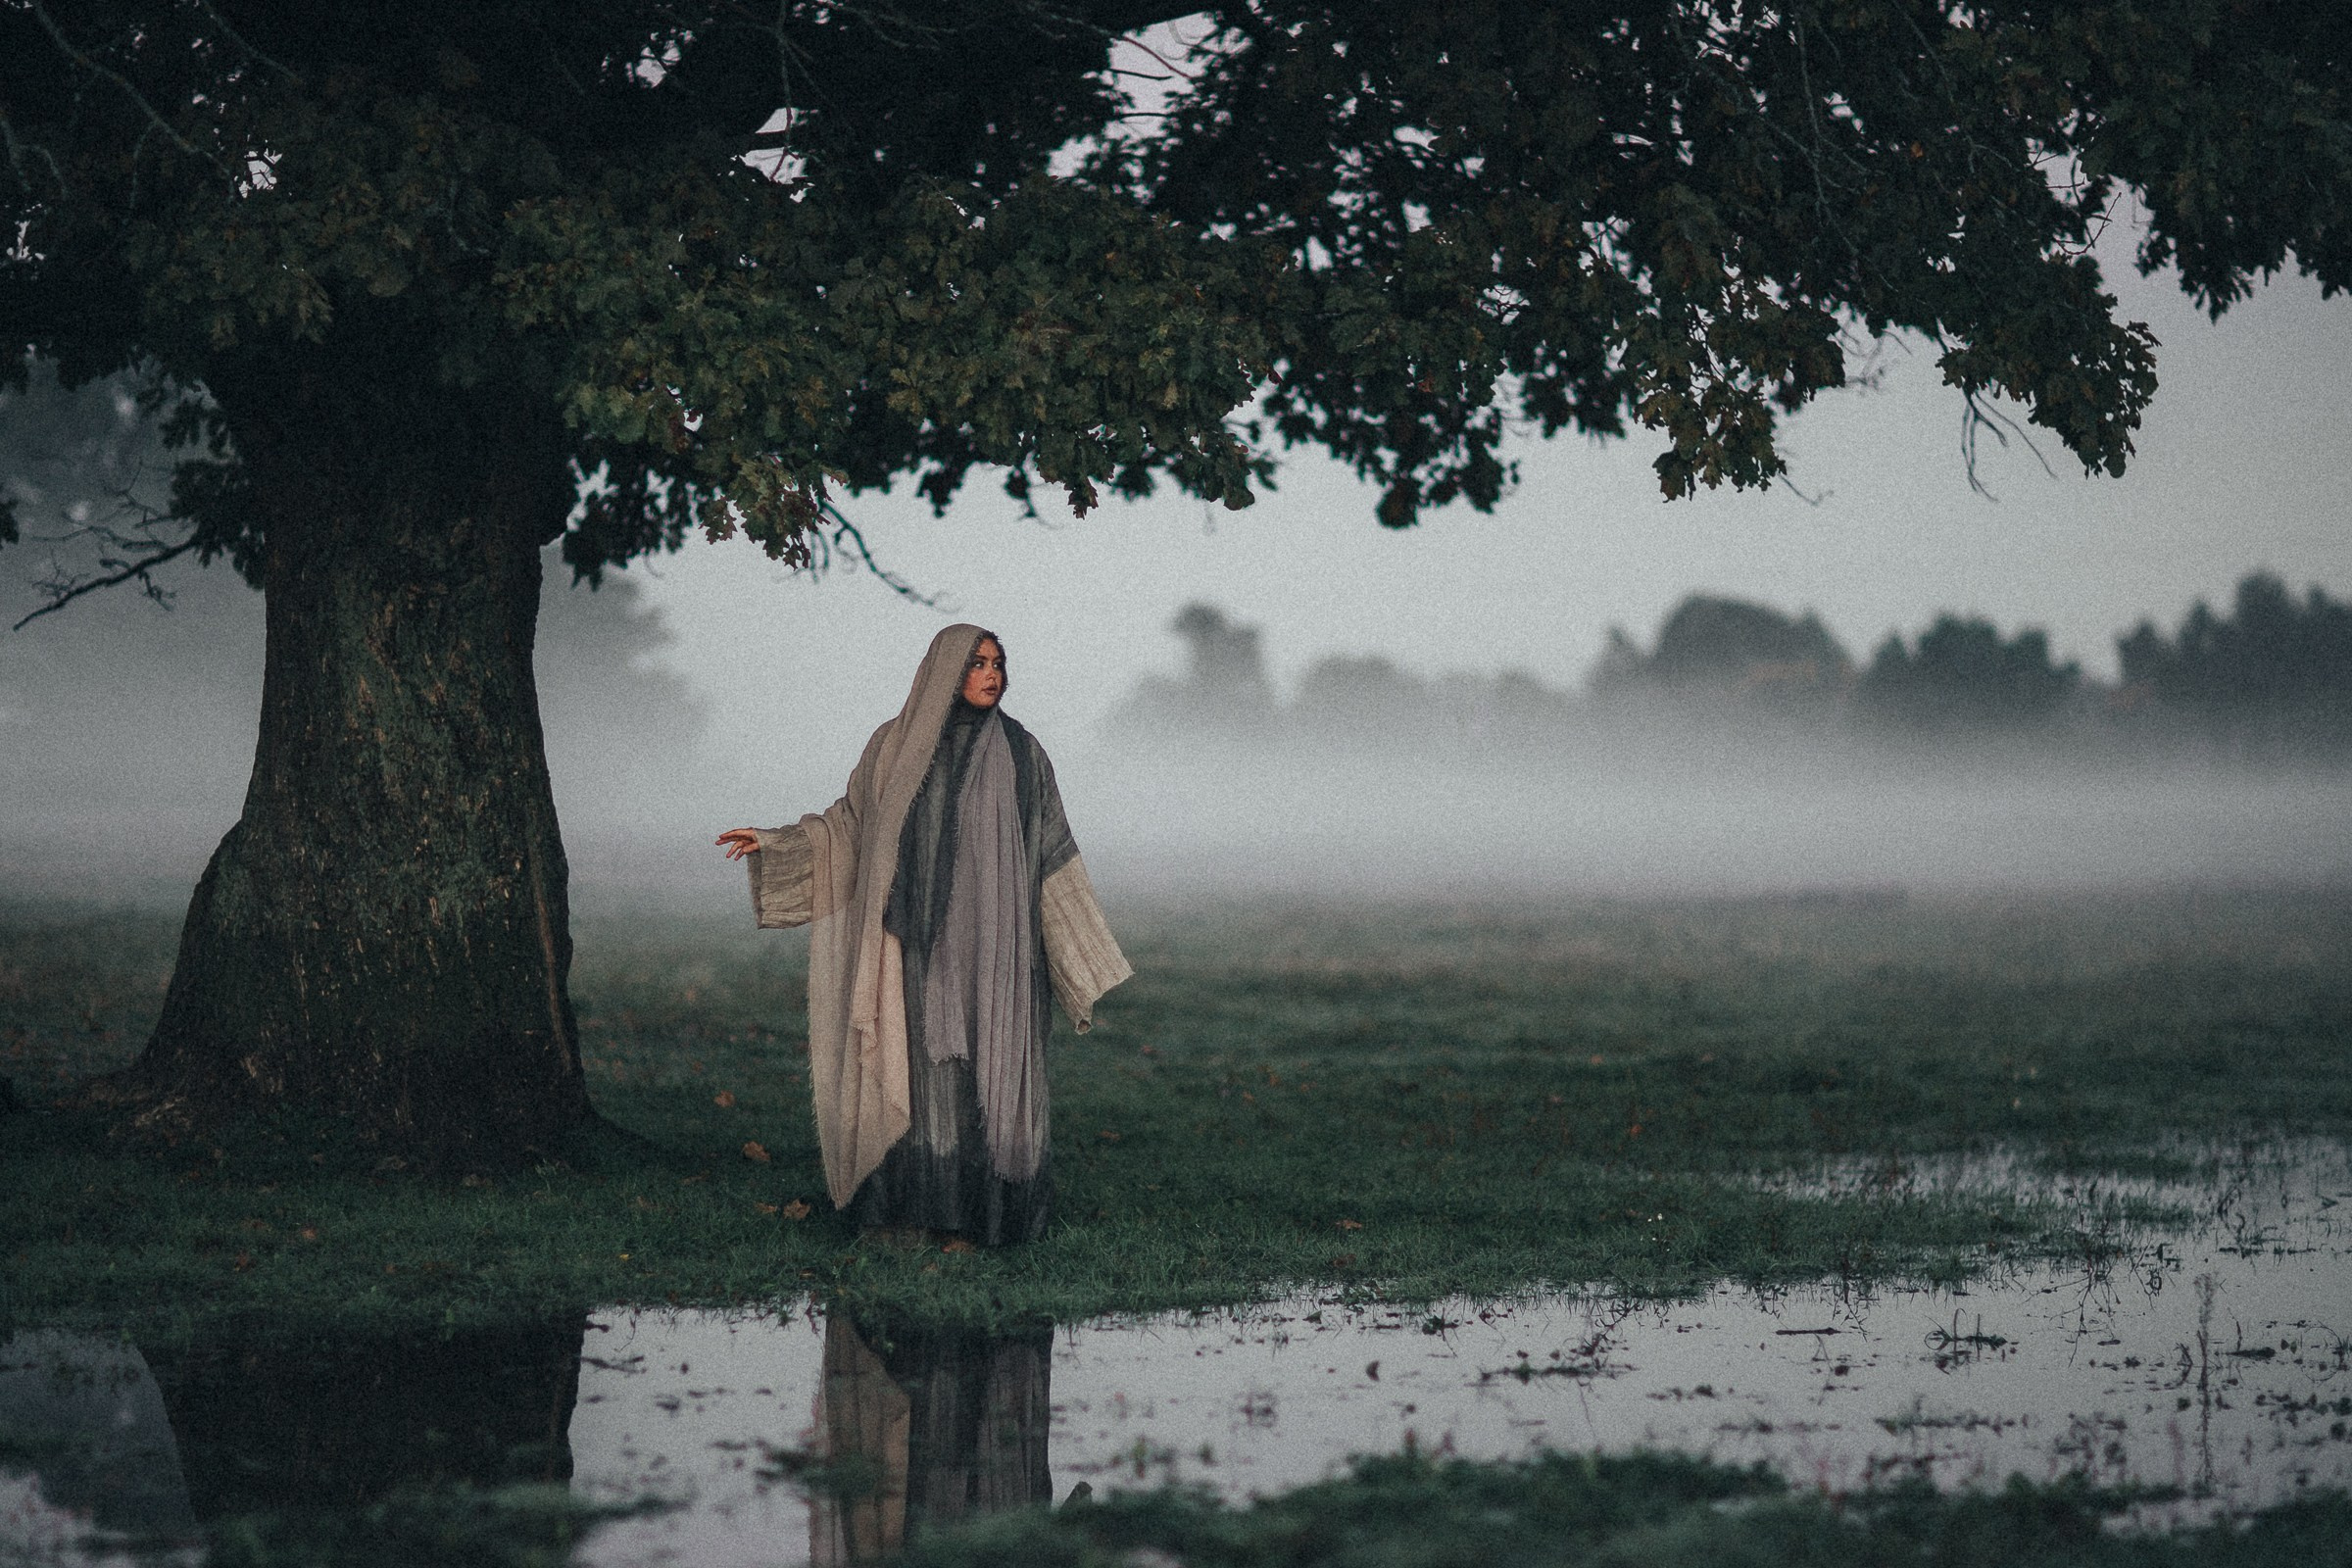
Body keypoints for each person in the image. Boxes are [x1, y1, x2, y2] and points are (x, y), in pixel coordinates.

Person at [717, 625, 1131, 1246]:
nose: (992, 675)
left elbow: (1051, 850)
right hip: (909, 950)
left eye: (998, 663)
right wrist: (779, 843)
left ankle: (983, 1219)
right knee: (917, 1075)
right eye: (977, 664)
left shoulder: (1023, 754)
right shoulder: (894, 746)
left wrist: (1078, 957)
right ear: (943, 672)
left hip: (998, 955)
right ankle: (903, 1216)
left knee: (984, 1081)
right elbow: (851, 826)